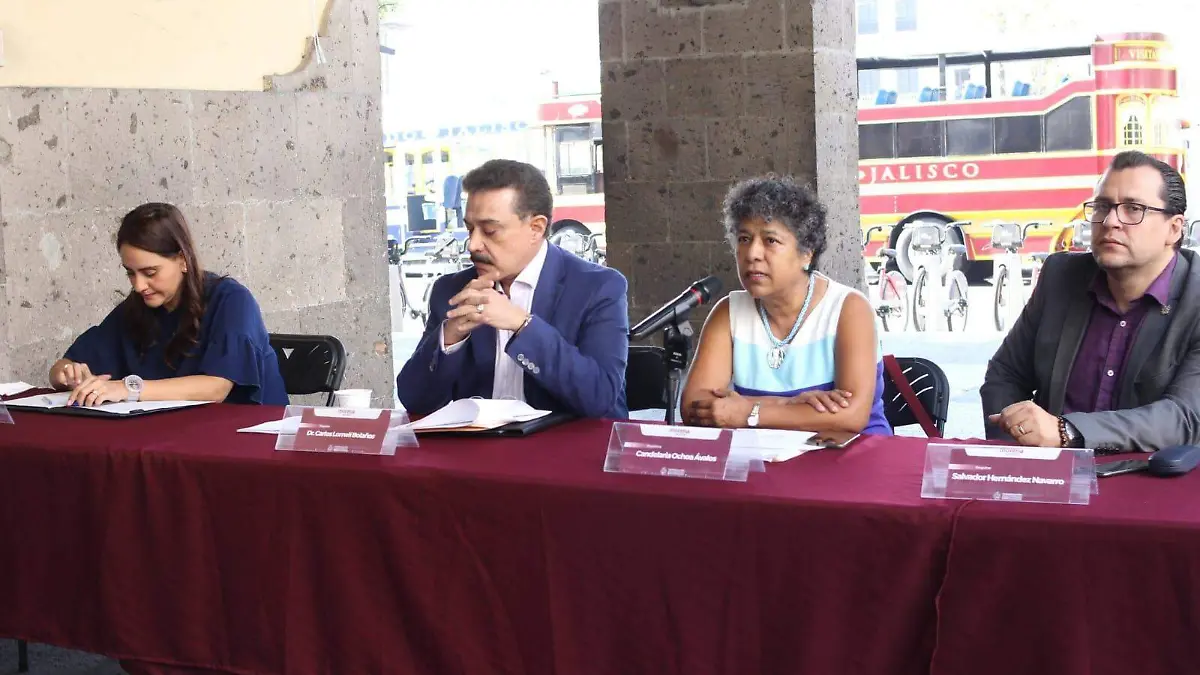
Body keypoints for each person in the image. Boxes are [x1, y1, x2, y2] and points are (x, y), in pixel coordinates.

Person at [982, 150, 1200, 452]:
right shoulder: (1061, 277)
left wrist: (1067, 431)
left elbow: (1185, 417)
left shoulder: (1194, 297)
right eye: (1102, 206)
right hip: (1052, 471)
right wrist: (1018, 450)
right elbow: (1005, 374)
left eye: (1133, 209)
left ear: (1174, 229)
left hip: (1151, 475)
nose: (1110, 221)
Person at [396, 159, 629, 418]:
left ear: (536, 228)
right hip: (476, 442)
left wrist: (522, 325)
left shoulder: (598, 287)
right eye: (470, 228)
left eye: (490, 231)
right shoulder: (452, 290)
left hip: (565, 442)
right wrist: (450, 337)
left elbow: (600, 397)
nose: (473, 245)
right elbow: (414, 400)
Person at [682, 176, 891, 434]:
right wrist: (787, 404)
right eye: (744, 239)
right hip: (763, 453)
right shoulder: (728, 313)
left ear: (806, 253)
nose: (752, 254)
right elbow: (693, 407)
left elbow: (851, 416)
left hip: (852, 451)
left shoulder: (848, 309)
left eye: (770, 241)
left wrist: (747, 412)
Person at [50, 203, 288, 406]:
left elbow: (216, 387)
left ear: (183, 259)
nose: (139, 286)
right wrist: (67, 374)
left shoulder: (231, 300)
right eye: (130, 273)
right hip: (176, 436)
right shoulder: (136, 308)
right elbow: (62, 366)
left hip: (252, 435)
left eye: (150, 272)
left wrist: (128, 388)